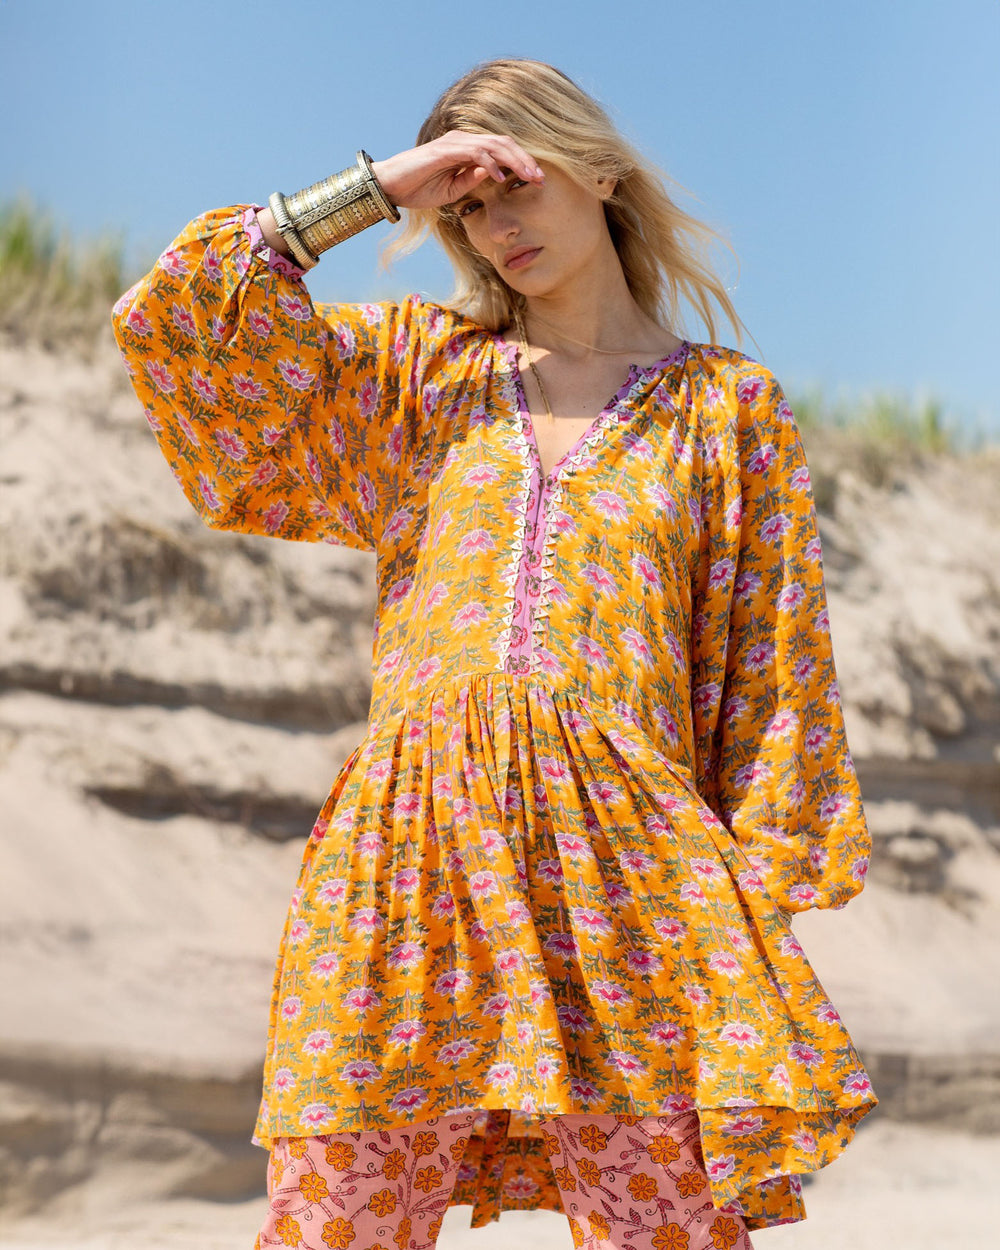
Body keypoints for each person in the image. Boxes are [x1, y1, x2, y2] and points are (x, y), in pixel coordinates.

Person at [112, 56, 876, 1250]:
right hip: (405, 858)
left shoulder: (726, 410)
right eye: (466, 205)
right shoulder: (422, 379)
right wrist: (384, 185)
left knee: (658, 1228)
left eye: (515, 180)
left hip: (633, 883)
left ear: (602, 169)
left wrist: (755, 918)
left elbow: (774, 683)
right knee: (336, 1225)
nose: (494, 224)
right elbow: (184, 311)